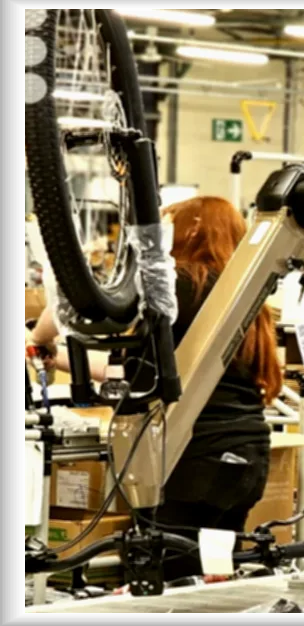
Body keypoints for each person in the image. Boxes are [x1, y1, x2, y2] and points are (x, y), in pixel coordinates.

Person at [29, 196, 282, 581]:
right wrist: (58, 357)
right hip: (245, 458)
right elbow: (138, 372)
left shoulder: (180, 283)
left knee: (161, 579)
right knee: (214, 581)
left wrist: (39, 337)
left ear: (193, 229)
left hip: (193, 457)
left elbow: (75, 302)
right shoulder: (243, 300)